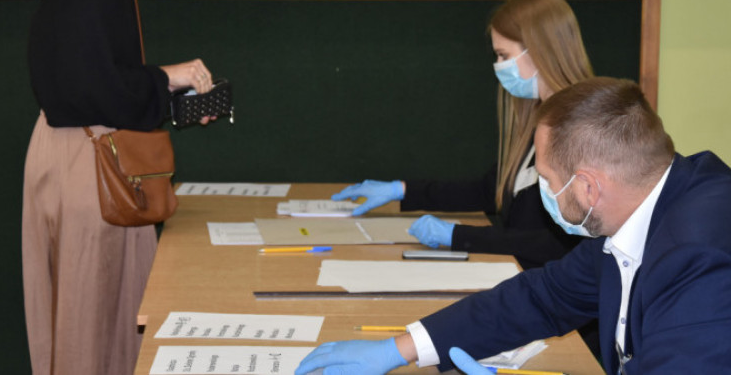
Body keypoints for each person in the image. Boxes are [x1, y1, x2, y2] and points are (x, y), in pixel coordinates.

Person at [296, 77, 731, 375]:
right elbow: (541, 299)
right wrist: (399, 349)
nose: (543, 191)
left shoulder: (700, 259)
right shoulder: (642, 208)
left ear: (588, 188)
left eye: (547, 179)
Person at [22, 0, 220, 374]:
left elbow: (106, 81)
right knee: (86, 327)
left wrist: (172, 96)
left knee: (116, 318)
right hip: (82, 161)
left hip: (103, 159)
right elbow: (88, 89)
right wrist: (167, 77)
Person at [332, 0, 594, 270]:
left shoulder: (582, 129)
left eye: (503, 55)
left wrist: (457, 235)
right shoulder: (538, 120)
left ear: (540, 50)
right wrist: (403, 190)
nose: (499, 66)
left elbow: (559, 245)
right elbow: (489, 190)